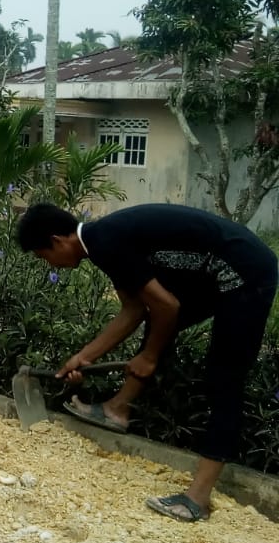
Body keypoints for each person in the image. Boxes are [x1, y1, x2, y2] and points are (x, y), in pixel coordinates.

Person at [17, 202, 279, 523]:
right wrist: (84, 358)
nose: (52, 266)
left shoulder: (106, 242)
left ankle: (197, 498)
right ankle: (117, 410)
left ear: (58, 241)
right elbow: (135, 310)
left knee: (225, 377)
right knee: (159, 328)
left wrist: (150, 356)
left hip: (245, 272)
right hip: (217, 269)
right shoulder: (101, 243)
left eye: (44, 257)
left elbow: (167, 305)